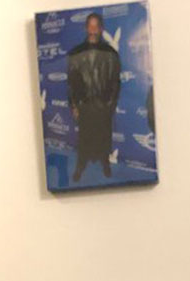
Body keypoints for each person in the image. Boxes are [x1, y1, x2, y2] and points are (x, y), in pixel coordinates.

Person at [67, 12, 120, 182]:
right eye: (90, 26)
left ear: (101, 28)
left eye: (96, 26)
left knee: (104, 137)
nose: (93, 30)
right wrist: (74, 105)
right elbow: (71, 82)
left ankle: (105, 163)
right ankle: (80, 166)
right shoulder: (76, 53)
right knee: (84, 139)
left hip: (103, 105)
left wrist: (110, 106)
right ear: (85, 28)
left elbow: (115, 83)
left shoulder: (110, 53)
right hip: (84, 104)